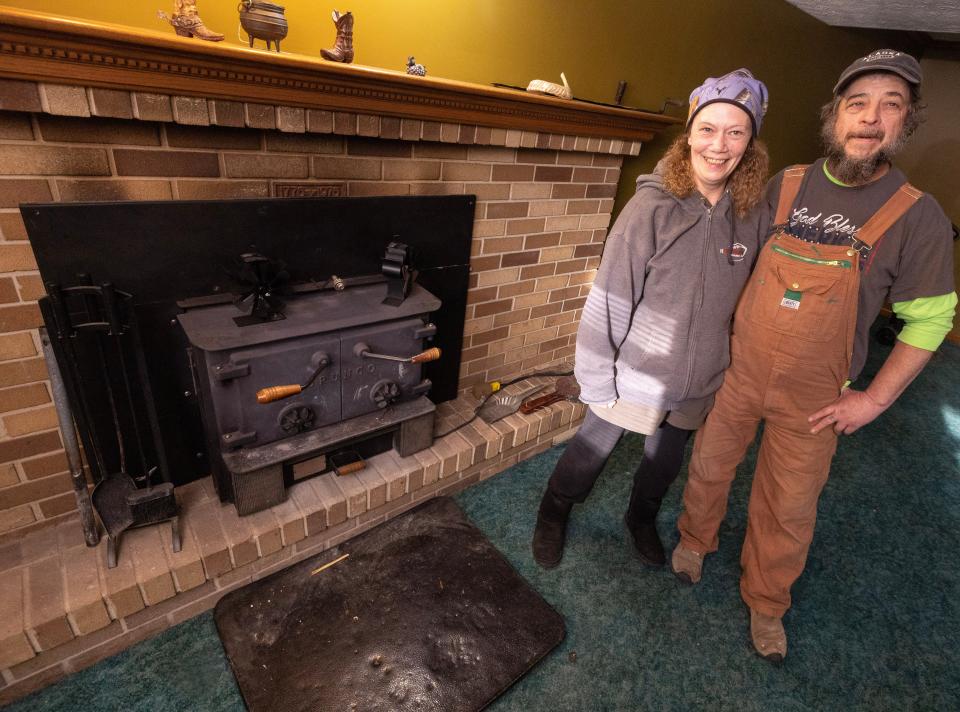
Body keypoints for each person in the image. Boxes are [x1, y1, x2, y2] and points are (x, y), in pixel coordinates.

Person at [672, 49, 957, 663]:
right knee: (711, 464)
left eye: (892, 106)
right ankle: (696, 538)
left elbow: (931, 321)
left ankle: (768, 600)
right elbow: (733, 261)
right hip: (739, 370)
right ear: (836, 115)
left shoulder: (917, 215)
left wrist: (876, 399)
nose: (871, 119)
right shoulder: (787, 183)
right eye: (858, 104)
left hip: (817, 398)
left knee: (790, 504)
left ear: (907, 123)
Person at [531, 69, 770, 570]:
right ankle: (554, 510)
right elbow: (610, 301)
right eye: (707, 129)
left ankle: (640, 518)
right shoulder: (651, 209)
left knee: (663, 464)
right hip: (633, 374)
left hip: (700, 379)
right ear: (689, 136)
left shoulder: (751, 215)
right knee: (589, 455)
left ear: (750, 144)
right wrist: (596, 381)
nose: (719, 145)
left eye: (735, 132)